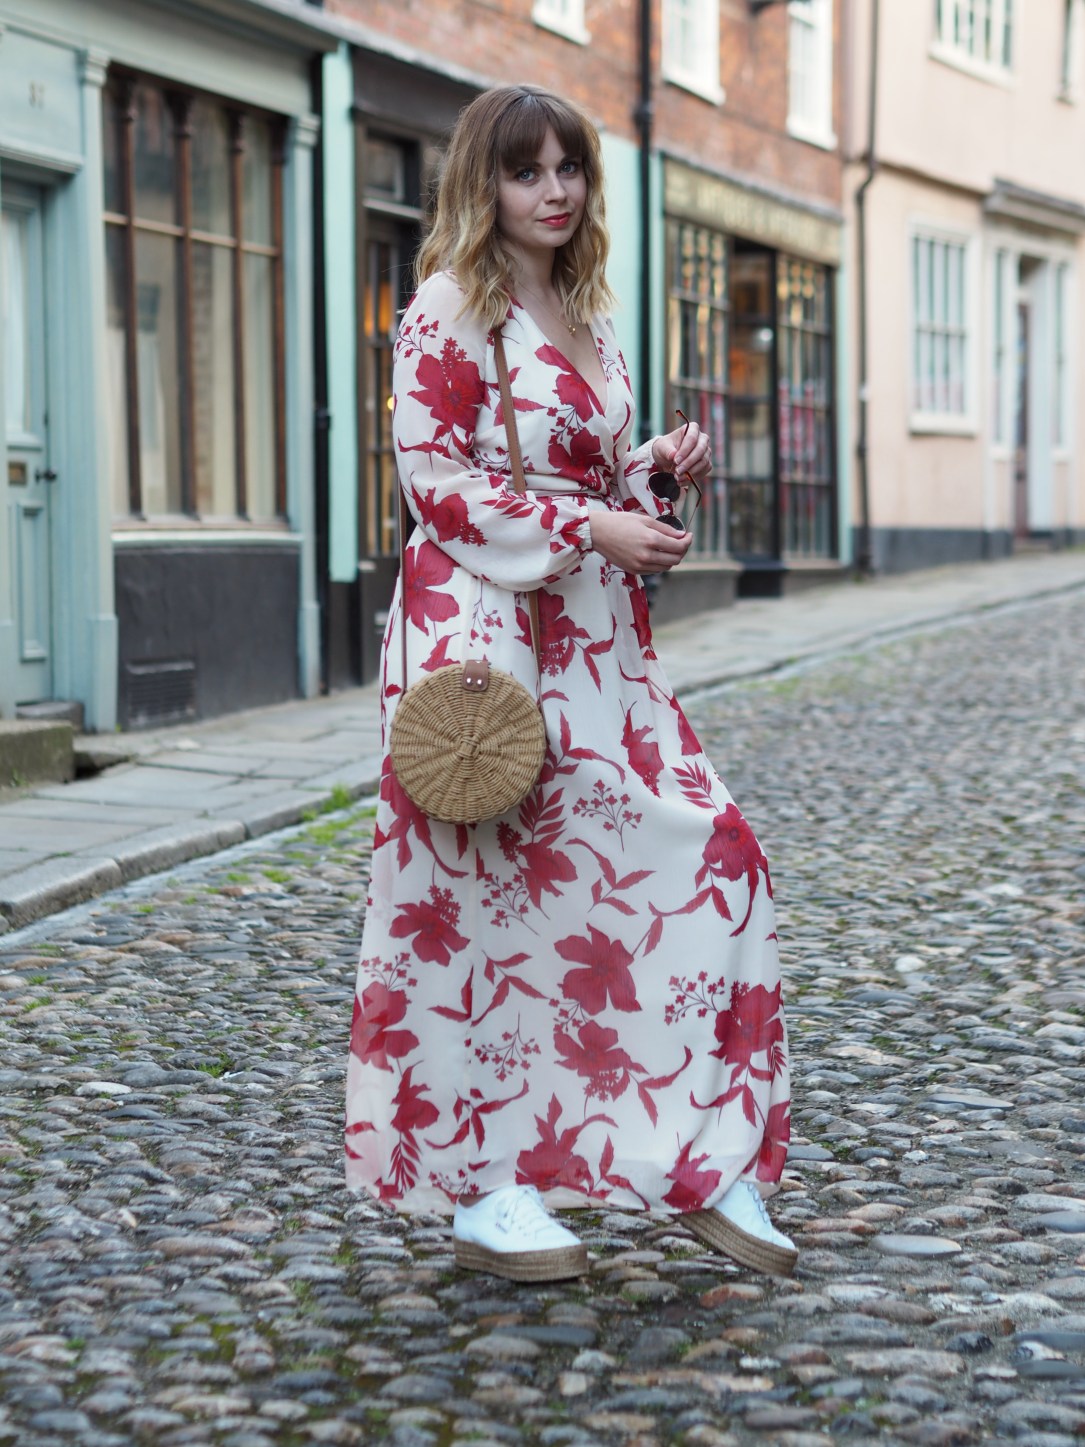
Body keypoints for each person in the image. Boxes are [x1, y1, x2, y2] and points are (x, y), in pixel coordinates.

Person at [344, 83, 795, 1283]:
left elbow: (592, 481)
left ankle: (703, 1154)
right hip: (489, 647)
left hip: (603, 651)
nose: (554, 191)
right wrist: (594, 527)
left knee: (715, 853)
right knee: (487, 909)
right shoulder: (446, 306)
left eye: (569, 169)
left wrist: (655, 476)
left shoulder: (591, 314)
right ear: (482, 183)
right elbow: (433, 478)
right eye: (526, 170)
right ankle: (486, 1187)